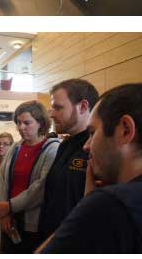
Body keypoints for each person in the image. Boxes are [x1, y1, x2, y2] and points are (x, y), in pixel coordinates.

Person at [38, 83, 142, 253]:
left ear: (125, 130)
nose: (87, 146)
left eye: (93, 132)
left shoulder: (109, 204)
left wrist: (88, 205)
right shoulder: (64, 145)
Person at [37, 79, 99, 240]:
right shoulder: (65, 145)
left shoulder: (98, 149)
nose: (50, 114)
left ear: (83, 106)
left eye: (58, 107)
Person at [0, 101, 60, 253]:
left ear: (41, 123)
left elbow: (40, 188)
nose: (21, 127)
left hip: (34, 221)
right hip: (9, 217)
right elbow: (2, 180)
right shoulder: (15, 147)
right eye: (18, 122)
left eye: (27, 122)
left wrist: (10, 206)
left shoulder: (52, 149)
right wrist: (4, 213)